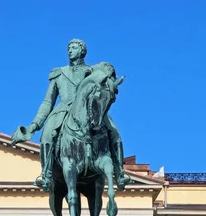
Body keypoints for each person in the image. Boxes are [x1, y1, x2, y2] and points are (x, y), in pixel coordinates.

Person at [11, 38, 126, 192]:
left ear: (82, 51)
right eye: (69, 47)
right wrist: (34, 125)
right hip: (62, 111)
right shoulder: (59, 73)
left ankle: (119, 174)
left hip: (92, 111)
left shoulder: (93, 72)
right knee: (46, 136)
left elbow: (108, 83)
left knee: (115, 134)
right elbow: (47, 102)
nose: (70, 50)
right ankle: (46, 175)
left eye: (74, 47)